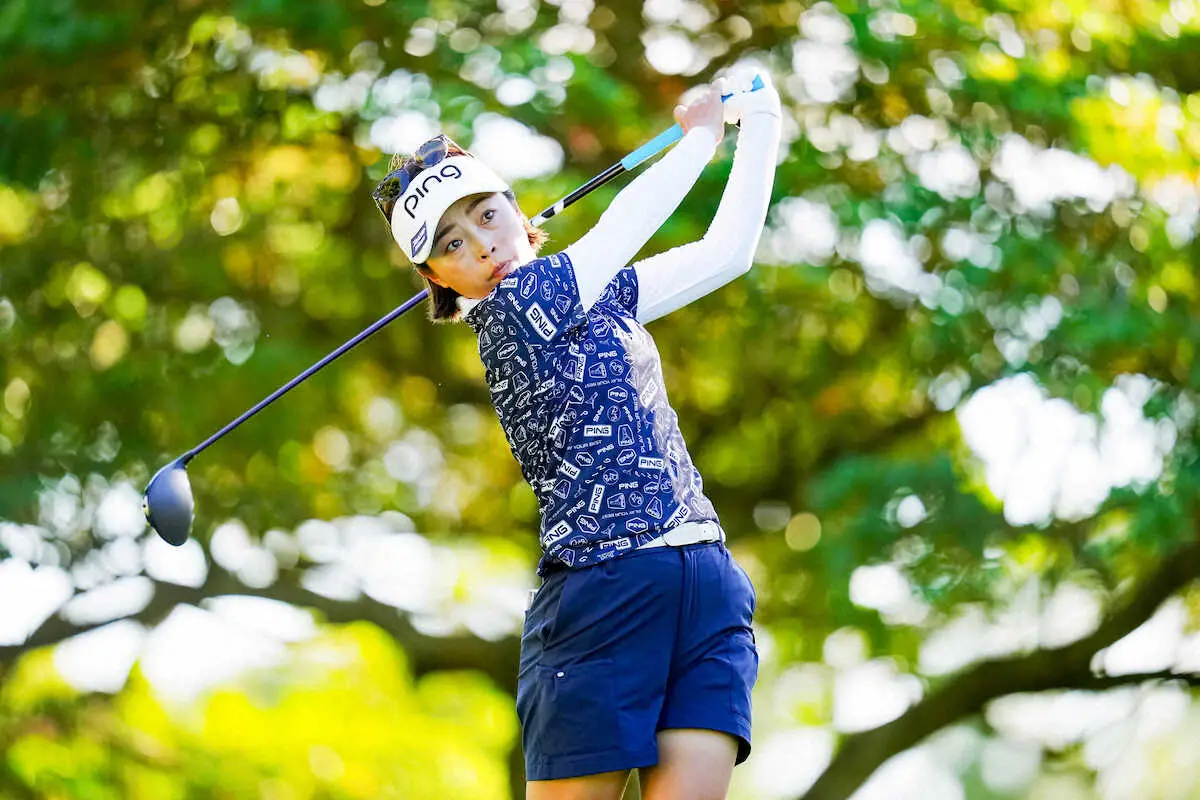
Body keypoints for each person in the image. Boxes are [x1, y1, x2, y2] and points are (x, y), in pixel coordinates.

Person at [372, 72, 782, 800]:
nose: (483, 246)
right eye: (454, 244)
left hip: (704, 579)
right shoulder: (510, 313)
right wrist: (700, 138)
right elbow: (623, 227)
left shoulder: (600, 295)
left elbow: (727, 253)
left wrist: (762, 122)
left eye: (488, 216)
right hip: (604, 592)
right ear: (436, 276)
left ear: (516, 209)